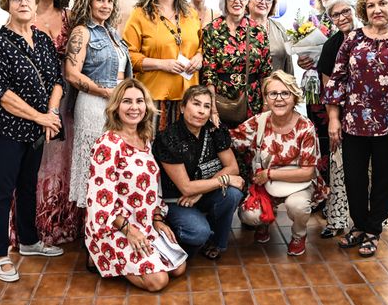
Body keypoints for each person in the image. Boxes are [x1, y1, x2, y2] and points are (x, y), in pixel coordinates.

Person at [0, 0, 65, 282]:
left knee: (29, 185)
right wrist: (41, 117)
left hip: (37, 129)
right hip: (8, 129)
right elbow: (1, 93)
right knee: (3, 190)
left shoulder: (42, 39)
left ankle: (29, 242)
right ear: (7, 4)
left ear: (35, 3)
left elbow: (57, 81)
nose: (23, 3)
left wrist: (51, 114)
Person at [324, 0, 388, 256]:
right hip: (353, 124)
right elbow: (337, 79)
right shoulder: (353, 38)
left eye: (383, 3)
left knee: (384, 180)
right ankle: (358, 225)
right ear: (363, 10)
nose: (377, 9)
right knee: (354, 179)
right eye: (371, 5)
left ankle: (374, 230)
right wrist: (334, 118)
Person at [85, 79, 187, 291]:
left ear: (146, 106)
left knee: (179, 268)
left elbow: (152, 188)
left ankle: (122, 259)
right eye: (127, 101)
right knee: (158, 281)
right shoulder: (107, 145)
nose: (134, 107)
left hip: (144, 222)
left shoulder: (144, 139)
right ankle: (99, 254)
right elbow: (100, 202)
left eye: (139, 101)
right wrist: (129, 230)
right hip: (114, 226)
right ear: (116, 107)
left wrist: (157, 219)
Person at [231, 71, 325, 256]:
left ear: (294, 97)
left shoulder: (305, 127)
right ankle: (265, 220)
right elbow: (232, 139)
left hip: (299, 183)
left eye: (285, 93)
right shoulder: (259, 121)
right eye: (273, 93)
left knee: (297, 206)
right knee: (249, 215)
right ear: (266, 98)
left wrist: (269, 174)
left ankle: (299, 235)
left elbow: (307, 172)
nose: (279, 99)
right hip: (266, 185)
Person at [21, 0, 81, 245]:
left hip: (68, 97)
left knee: (63, 158)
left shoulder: (70, 16)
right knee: (35, 161)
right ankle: (33, 229)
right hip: (31, 99)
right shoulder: (22, 15)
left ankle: (62, 225)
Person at [153, 86, 244, 260]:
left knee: (232, 194)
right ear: (182, 107)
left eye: (206, 106)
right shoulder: (169, 138)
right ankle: (176, 229)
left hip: (202, 195)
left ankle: (216, 242)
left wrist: (200, 192)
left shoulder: (215, 130)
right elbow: (186, 188)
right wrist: (225, 179)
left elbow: (233, 167)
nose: (201, 111)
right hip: (177, 200)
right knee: (198, 232)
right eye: (196, 104)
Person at [66, 0, 132, 208]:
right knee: (95, 164)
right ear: (89, 2)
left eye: (110, 1)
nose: (106, 5)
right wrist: (105, 92)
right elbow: (72, 74)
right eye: (100, 0)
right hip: (94, 104)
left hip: (117, 104)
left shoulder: (113, 32)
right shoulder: (82, 31)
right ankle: (94, 221)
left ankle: (112, 218)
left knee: (116, 164)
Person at [123, 0, 202, 131]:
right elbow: (128, 56)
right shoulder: (140, 15)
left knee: (185, 145)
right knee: (154, 145)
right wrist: (161, 64)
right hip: (155, 98)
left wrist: (199, 57)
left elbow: (202, 45)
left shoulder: (190, 14)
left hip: (189, 97)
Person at [303, 0, 351, 204]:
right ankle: (324, 195)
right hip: (319, 95)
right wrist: (304, 59)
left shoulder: (355, 26)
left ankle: (344, 200)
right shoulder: (312, 22)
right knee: (322, 144)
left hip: (349, 101)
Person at [202, 0, 273, 129]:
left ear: (247, 0)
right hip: (221, 102)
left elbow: (265, 73)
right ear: (225, 0)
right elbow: (209, 74)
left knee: (252, 142)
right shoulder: (212, 30)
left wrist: (266, 103)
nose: (237, 1)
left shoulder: (258, 31)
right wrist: (212, 108)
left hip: (253, 102)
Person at [316, 0, 357, 238]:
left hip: (370, 120)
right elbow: (328, 88)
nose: (341, 17)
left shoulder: (370, 37)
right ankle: (337, 220)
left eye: (345, 11)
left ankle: (367, 224)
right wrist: (334, 119)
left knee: (368, 173)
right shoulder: (331, 45)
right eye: (335, 15)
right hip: (341, 117)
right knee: (338, 168)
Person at [247, 0, 294, 75]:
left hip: (276, 84)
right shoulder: (239, 28)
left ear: (272, 4)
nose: (263, 2)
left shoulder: (279, 28)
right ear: (248, 1)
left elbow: (288, 64)